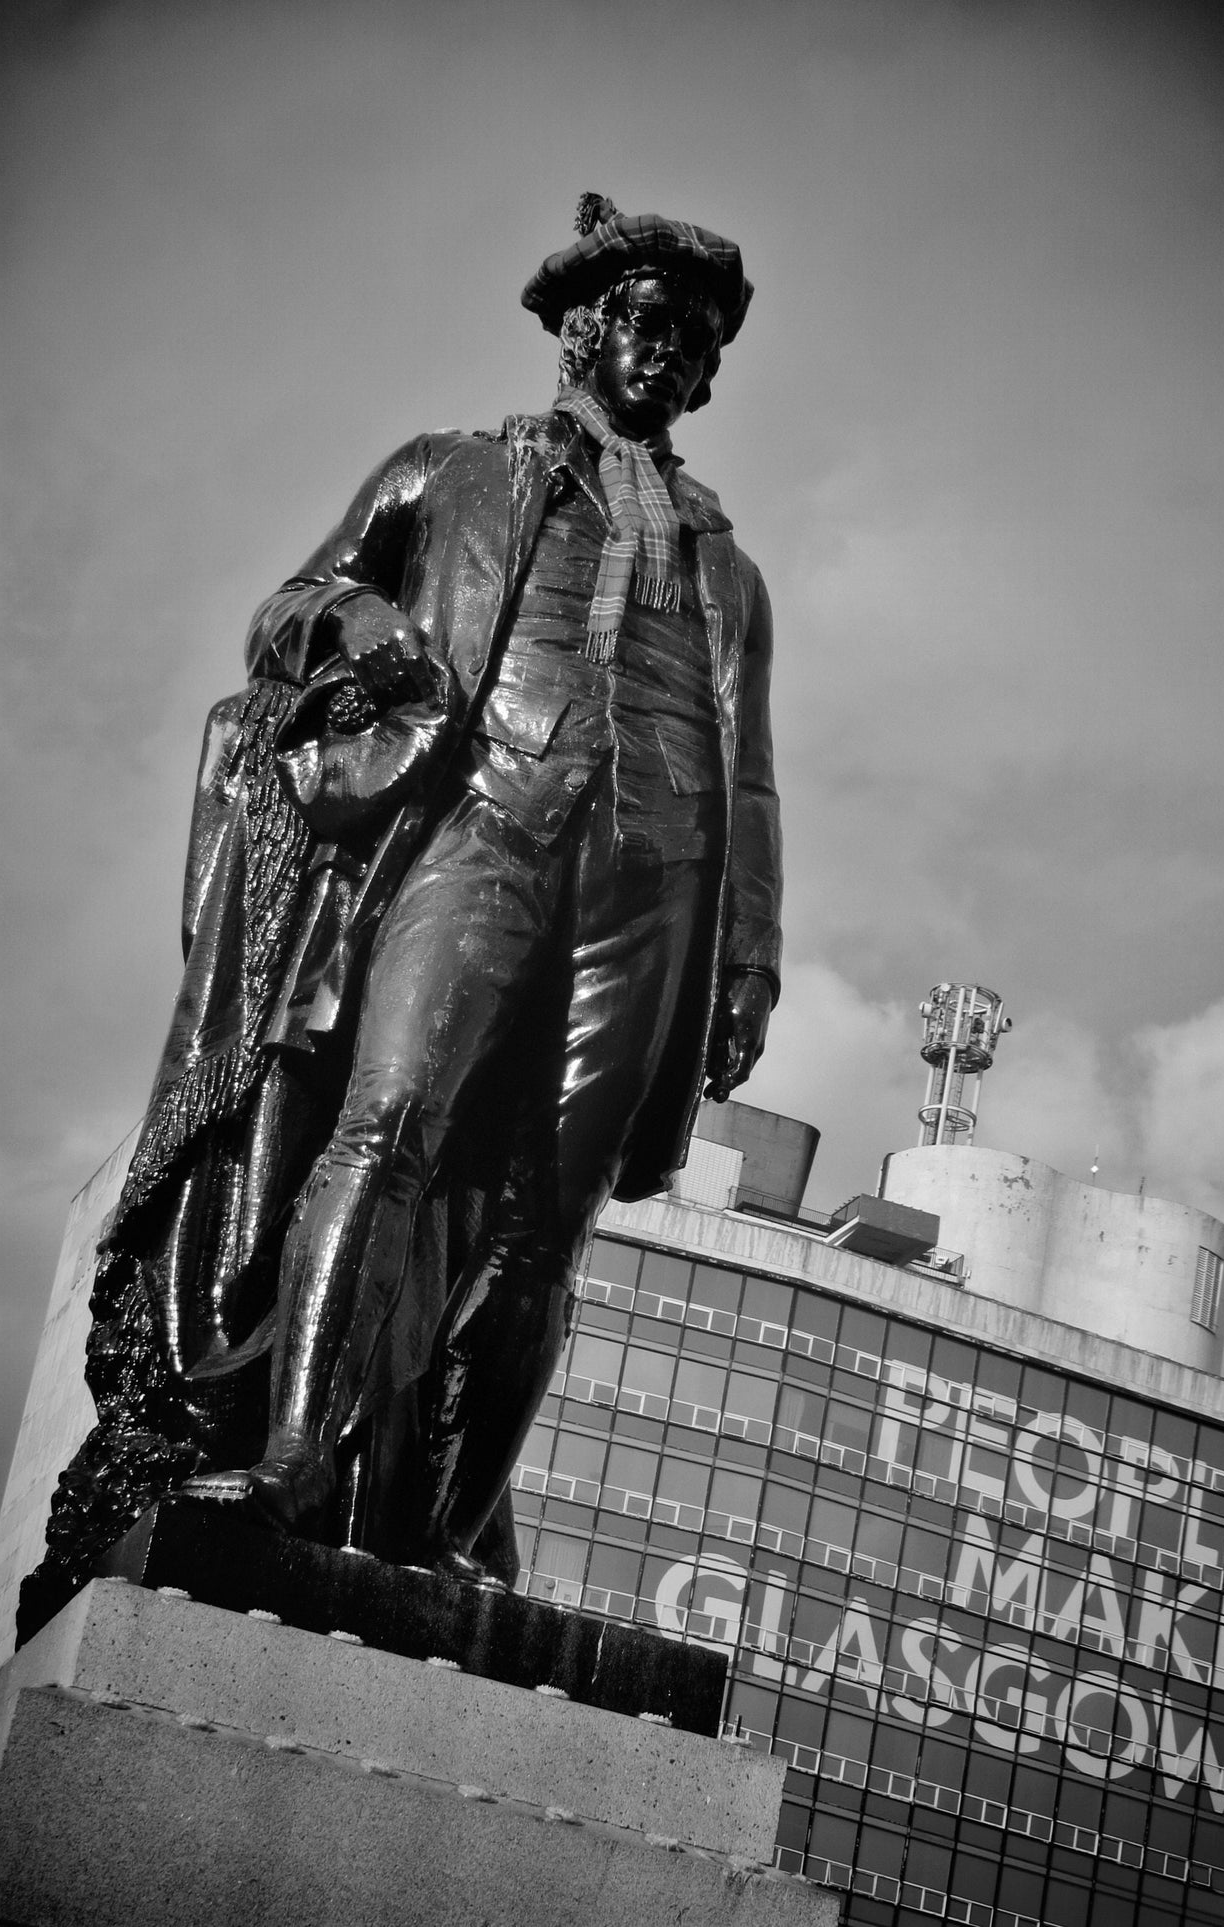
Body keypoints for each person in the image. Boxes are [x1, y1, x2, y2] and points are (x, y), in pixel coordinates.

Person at [170, 192, 783, 1577]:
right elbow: (287, 607)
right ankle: (291, 1459)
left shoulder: (728, 570)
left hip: (657, 884)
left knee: (546, 1221)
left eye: (692, 339)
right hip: (480, 825)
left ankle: (438, 1537)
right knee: (383, 1126)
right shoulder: (444, 472)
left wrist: (747, 953)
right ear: (580, 330)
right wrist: (363, 616)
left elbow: (750, 776)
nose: (665, 350)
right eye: (642, 318)